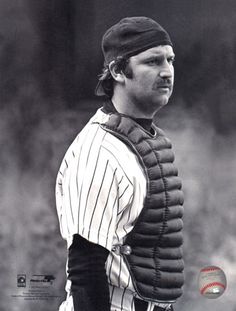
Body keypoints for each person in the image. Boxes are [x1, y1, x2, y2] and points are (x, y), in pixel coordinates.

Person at [55, 16, 184, 311]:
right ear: (117, 71)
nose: (167, 72)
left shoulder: (147, 141)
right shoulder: (97, 152)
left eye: (170, 59)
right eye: (153, 62)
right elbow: (86, 269)